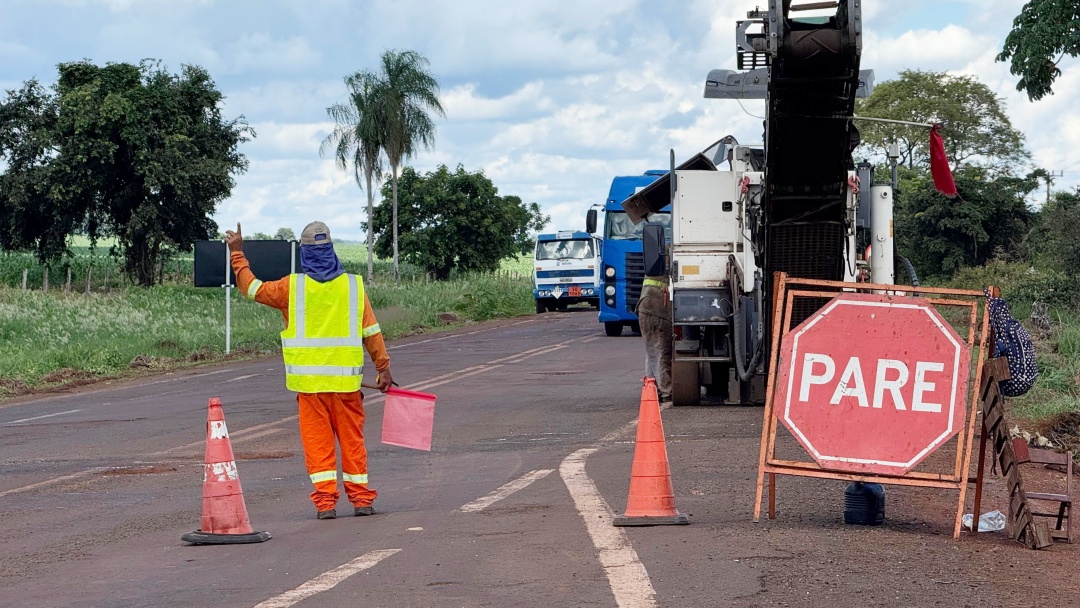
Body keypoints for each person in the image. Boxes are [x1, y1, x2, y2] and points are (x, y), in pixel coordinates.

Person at [224, 221, 393, 520]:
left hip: (310, 387)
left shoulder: (292, 287)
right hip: (347, 387)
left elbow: (251, 289)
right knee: (353, 442)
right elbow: (372, 332)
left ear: (304, 254)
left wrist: (237, 254)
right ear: (332, 251)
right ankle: (361, 500)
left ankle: (326, 504)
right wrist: (383, 369)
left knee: (318, 445)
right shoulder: (353, 285)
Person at [636, 272, 672, 404]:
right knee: (661, 351)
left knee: (651, 350)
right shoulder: (669, 263)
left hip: (645, 308)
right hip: (658, 311)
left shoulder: (654, 263)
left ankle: (651, 389)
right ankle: (666, 390)